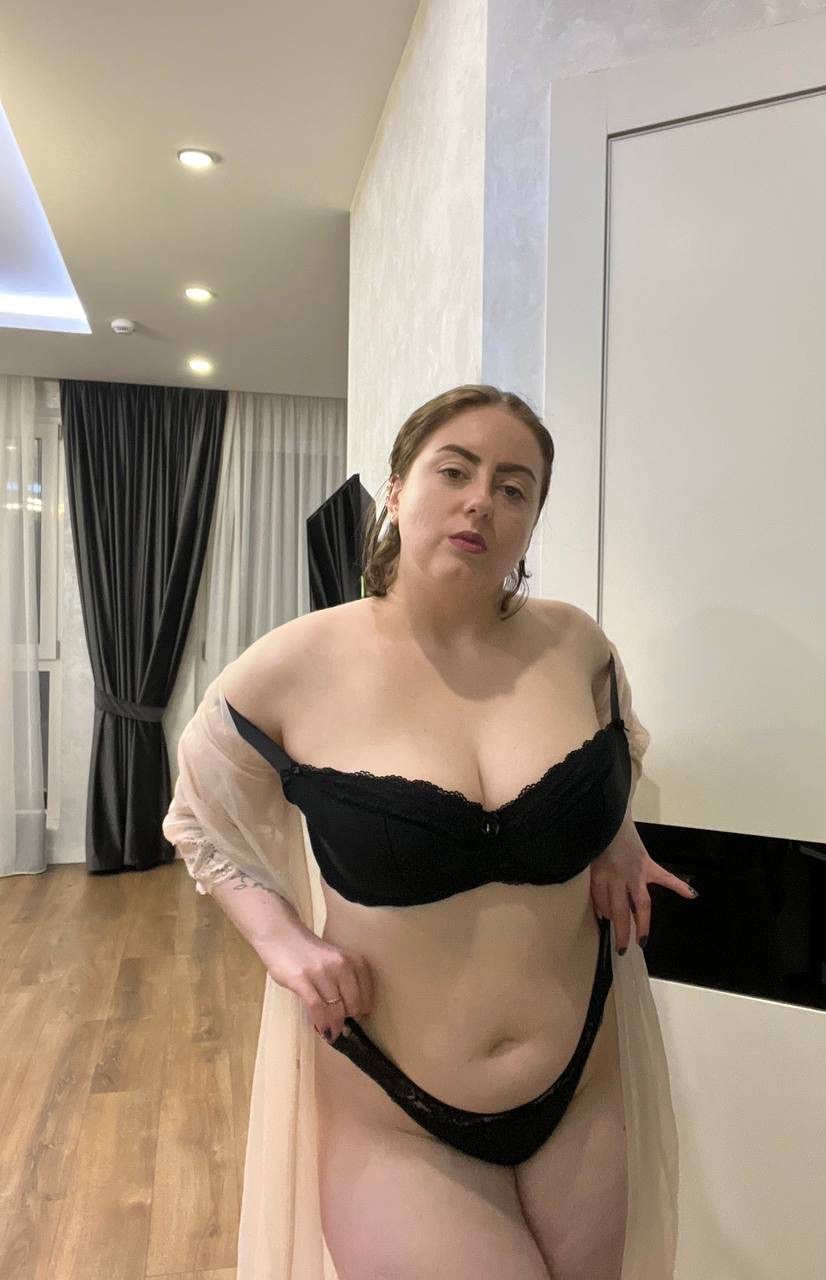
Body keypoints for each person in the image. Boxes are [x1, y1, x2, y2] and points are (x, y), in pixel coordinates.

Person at [162, 384, 688, 1280]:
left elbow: (613, 750)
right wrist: (282, 942)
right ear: (397, 490)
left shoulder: (575, 646)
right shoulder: (294, 665)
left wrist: (615, 840)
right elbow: (200, 819)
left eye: (514, 487)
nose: (482, 500)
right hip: (394, 1110)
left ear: (531, 522)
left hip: (584, 1082)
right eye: (455, 471)